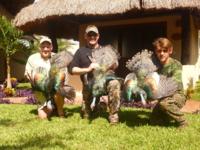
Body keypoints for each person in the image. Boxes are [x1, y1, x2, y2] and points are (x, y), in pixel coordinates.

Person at [68, 25, 121, 124]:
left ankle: (113, 116)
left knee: (114, 83)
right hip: (89, 85)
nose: (92, 37)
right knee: (86, 115)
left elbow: (116, 64)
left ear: (98, 36)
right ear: (85, 36)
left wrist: (112, 65)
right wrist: (88, 69)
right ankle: (95, 105)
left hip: (104, 82)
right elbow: (72, 69)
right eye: (89, 35)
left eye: (94, 35)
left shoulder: (106, 50)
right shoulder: (80, 52)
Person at [150, 37, 187, 128]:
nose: (161, 53)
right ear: (156, 52)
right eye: (159, 51)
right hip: (163, 97)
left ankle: (182, 121)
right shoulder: (155, 66)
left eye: (165, 50)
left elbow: (175, 83)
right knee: (153, 120)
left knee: (164, 104)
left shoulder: (176, 64)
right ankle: (167, 116)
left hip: (177, 95)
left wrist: (157, 92)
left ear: (170, 51)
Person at [25, 36, 65, 119]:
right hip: (40, 90)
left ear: (51, 47)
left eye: (48, 47)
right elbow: (27, 74)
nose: (45, 49)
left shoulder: (57, 58)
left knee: (60, 79)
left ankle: (60, 111)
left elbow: (62, 74)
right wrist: (36, 82)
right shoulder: (32, 58)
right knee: (43, 117)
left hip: (54, 88)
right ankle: (50, 106)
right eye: (43, 47)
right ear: (39, 48)